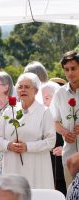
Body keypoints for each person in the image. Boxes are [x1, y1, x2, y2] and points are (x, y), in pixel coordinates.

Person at [0, 72, 56, 189]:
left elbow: (51, 141)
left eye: (27, 87)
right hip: (12, 166)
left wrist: (28, 146)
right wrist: (9, 145)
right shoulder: (9, 111)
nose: (23, 90)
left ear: (36, 91)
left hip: (36, 167)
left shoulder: (44, 112)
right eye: (20, 87)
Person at [50, 50, 79, 188]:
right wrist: (64, 132)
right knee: (71, 192)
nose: (70, 73)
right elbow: (53, 120)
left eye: (73, 68)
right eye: (66, 69)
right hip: (69, 154)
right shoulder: (59, 93)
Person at [41, 82, 67, 195]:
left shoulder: (67, 115)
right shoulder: (42, 116)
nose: (44, 101)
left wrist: (65, 149)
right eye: (42, 98)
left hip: (63, 170)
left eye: (47, 98)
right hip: (46, 168)